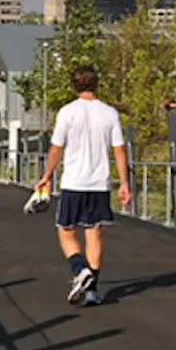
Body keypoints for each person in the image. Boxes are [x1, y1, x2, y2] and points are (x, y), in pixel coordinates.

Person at [35, 66, 130, 307]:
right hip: (99, 182)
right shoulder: (109, 113)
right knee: (94, 232)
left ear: (74, 85)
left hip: (74, 181)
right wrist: (124, 183)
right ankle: (92, 291)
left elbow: (56, 148)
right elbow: (119, 149)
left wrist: (47, 175)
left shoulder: (67, 112)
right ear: (96, 84)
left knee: (66, 230)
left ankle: (79, 269)